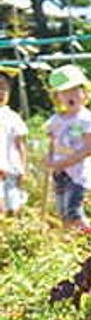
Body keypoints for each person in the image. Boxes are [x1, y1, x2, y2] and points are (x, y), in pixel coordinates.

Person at [44, 65, 91, 228]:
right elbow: (52, 143)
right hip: (59, 174)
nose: (71, 96)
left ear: (85, 93)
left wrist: (63, 163)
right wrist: (49, 159)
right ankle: (71, 242)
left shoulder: (87, 120)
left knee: (74, 212)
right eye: (65, 92)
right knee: (62, 213)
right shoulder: (56, 120)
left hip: (77, 176)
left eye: (75, 90)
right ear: (57, 97)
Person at [0, 67, 28, 214]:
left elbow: (20, 144)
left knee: (13, 206)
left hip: (11, 169)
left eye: (4, 88)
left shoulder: (12, 117)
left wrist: (23, 168)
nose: (1, 93)